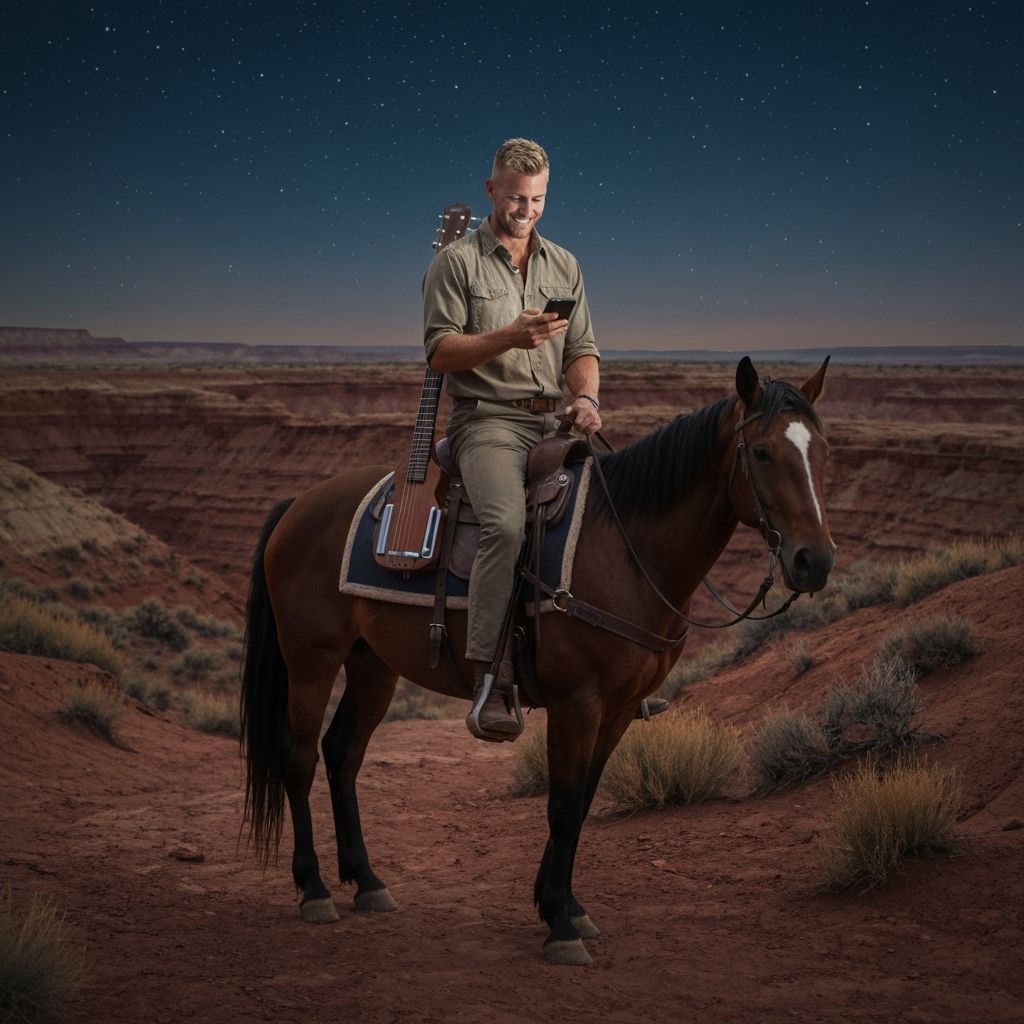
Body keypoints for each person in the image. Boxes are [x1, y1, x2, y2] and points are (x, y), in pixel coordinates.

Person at [423, 138, 602, 740]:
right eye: (515, 196)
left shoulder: (566, 265)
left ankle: (604, 663)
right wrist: (509, 337)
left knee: (608, 510)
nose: (525, 208)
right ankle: (489, 677)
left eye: (537, 198)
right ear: (491, 190)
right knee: (504, 524)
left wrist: (585, 398)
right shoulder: (455, 263)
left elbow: (581, 351)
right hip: (487, 421)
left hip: (553, 419)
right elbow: (440, 351)